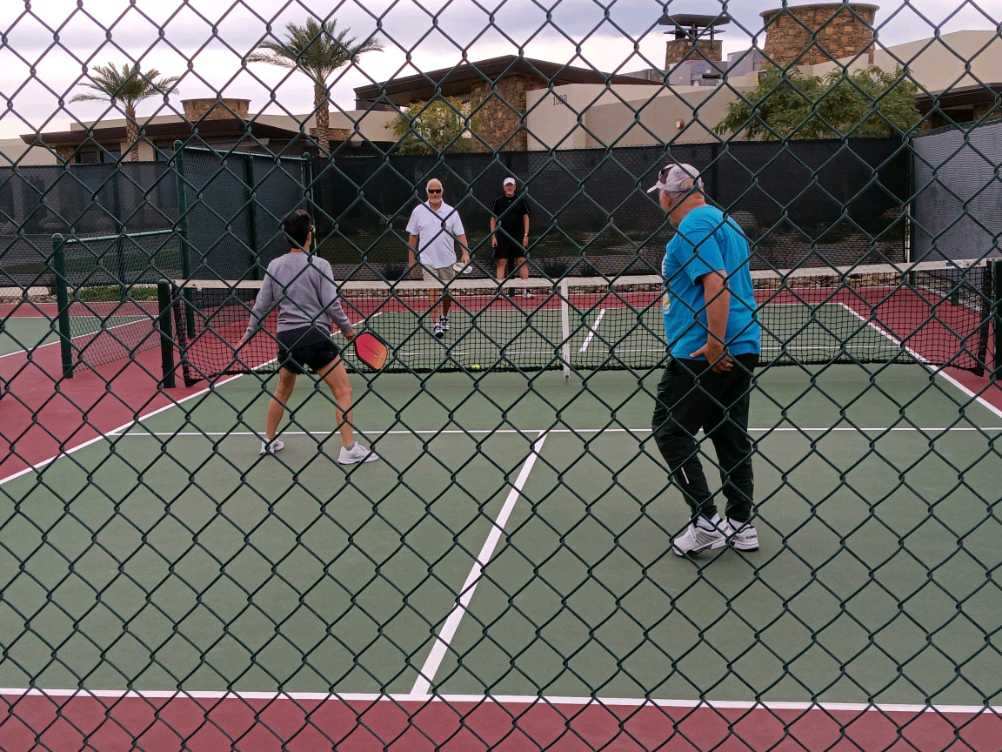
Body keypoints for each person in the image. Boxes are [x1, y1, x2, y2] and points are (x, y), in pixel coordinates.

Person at [648, 164, 761, 556]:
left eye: (659, 192)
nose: (659, 199)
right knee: (727, 430)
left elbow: (716, 281)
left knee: (669, 430)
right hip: (744, 343)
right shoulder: (727, 222)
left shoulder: (694, 226)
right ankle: (741, 522)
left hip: (701, 351)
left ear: (669, 195)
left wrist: (714, 343)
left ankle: (705, 520)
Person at [241, 209, 378, 465]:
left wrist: (247, 335)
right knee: (343, 390)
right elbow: (331, 304)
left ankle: (268, 441)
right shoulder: (321, 264)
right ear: (310, 234)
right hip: (315, 336)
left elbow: (261, 306)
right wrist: (348, 330)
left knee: (282, 389)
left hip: (287, 338)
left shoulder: (274, 266)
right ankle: (348, 448)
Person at [406, 178, 471, 338]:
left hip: (448, 260)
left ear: (442, 192)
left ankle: (444, 317)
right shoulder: (418, 211)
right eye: (431, 191)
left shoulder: (451, 212)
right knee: (433, 293)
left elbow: (461, 234)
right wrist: (411, 260)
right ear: (427, 192)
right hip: (427, 261)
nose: (434, 194)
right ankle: (436, 324)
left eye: (437, 191)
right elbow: (413, 237)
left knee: (447, 295)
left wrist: (465, 253)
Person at [490, 176, 532, 294]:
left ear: (514, 187)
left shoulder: (521, 201)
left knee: (521, 261)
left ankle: (525, 290)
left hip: (518, 236)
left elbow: (526, 218)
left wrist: (525, 235)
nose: (509, 187)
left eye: (511, 185)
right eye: (507, 185)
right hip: (502, 237)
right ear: (504, 188)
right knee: (502, 262)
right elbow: (493, 219)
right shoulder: (498, 202)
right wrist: (493, 236)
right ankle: (500, 291)